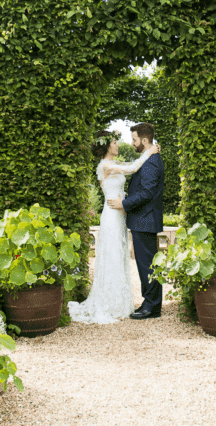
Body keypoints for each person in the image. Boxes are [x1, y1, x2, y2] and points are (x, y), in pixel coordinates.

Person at [68, 129, 160, 324]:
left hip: (121, 215)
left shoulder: (114, 163)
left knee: (119, 257)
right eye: (115, 142)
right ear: (107, 146)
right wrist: (149, 151)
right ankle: (110, 304)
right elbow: (134, 168)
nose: (119, 145)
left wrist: (125, 202)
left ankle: (120, 303)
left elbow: (131, 166)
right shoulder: (105, 165)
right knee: (112, 256)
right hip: (111, 214)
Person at [106, 122, 164, 319]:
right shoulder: (148, 158)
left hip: (145, 219)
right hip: (143, 219)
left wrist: (124, 203)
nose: (132, 143)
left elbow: (147, 193)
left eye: (134, 139)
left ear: (145, 140)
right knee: (147, 263)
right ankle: (151, 303)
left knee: (147, 264)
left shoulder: (152, 161)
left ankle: (152, 306)